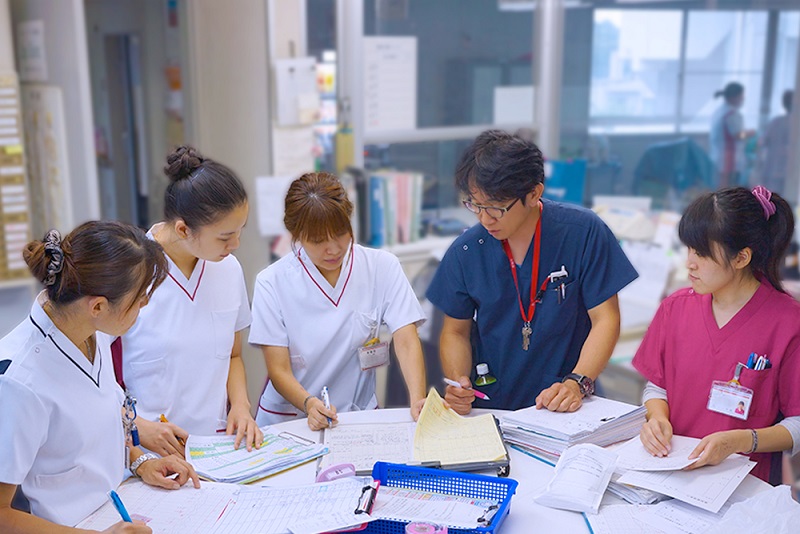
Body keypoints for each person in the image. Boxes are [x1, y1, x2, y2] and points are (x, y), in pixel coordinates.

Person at [0, 222, 200, 532]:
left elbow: (90, 430)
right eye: (139, 298)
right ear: (98, 306)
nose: (145, 304)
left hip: (115, 504)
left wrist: (140, 461)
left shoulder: (91, 331)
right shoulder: (18, 382)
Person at [426, 129, 638, 415]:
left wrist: (577, 382)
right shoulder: (467, 251)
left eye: (496, 208)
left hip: (566, 404)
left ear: (534, 193)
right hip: (493, 406)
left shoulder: (583, 233)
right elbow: (455, 331)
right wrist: (458, 383)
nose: (485, 219)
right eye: (475, 205)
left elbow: (606, 319)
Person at [634, 186, 800, 484]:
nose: (689, 262)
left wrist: (741, 441)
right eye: (689, 249)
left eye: (702, 253)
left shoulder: (788, 322)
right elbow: (657, 387)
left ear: (741, 258)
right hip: (673, 474)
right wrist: (656, 418)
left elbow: (797, 423)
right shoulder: (675, 308)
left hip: (743, 486)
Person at [249, 172, 427, 431]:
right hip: (292, 421)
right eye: (318, 240)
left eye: (341, 233)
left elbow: (406, 339)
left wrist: (418, 400)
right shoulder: (271, 283)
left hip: (358, 415)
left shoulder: (381, 267)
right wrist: (309, 404)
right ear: (296, 235)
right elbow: (279, 370)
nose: (333, 249)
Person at [117, 146, 261, 456]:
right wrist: (138, 429)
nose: (235, 244)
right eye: (225, 237)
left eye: (240, 232)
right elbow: (98, 383)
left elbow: (233, 355)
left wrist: (240, 406)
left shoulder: (228, 269)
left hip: (219, 447)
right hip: (151, 452)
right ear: (183, 229)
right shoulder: (129, 274)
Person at [709, 82, 755, 188]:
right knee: (728, 189)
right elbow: (738, 135)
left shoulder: (719, 111)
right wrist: (750, 133)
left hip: (719, 156)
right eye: (741, 96)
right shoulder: (731, 114)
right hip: (729, 158)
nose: (743, 99)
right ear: (734, 97)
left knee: (721, 187)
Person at [759, 90, 793, 194]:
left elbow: (762, 142)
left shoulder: (776, 122)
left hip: (773, 167)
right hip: (788, 169)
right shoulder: (795, 122)